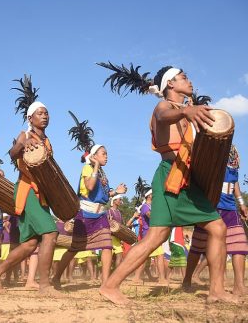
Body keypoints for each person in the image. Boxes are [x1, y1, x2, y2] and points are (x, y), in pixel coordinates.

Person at [97, 64, 232, 304]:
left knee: (179, 233)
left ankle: (216, 291)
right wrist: (185, 113)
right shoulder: (165, 107)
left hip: (184, 178)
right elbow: (162, 116)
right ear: (171, 84)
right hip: (171, 177)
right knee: (166, 235)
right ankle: (110, 286)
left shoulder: (184, 109)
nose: (189, 81)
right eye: (183, 77)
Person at [0, 81, 59, 295]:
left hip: (42, 195)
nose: (45, 116)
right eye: (40, 113)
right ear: (30, 118)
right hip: (27, 191)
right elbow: (12, 153)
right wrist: (22, 145)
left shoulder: (47, 140)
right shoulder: (25, 135)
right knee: (51, 232)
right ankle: (45, 285)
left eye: (46, 113)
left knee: (29, 243)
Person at [52, 144, 127, 288]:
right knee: (74, 248)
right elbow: (90, 187)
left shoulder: (102, 173)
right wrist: (96, 166)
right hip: (85, 214)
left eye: (106, 154)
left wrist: (116, 191)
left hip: (100, 215)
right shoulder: (88, 168)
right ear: (94, 156)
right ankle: (56, 277)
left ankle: (106, 283)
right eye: (103, 153)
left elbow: (103, 195)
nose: (106, 156)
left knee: (107, 245)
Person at [183, 145, 248, 294]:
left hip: (230, 209)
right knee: (197, 247)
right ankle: (187, 279)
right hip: (209, 208)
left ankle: (239, 286)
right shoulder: (209, 157)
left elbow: (234, 182)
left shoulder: (232, 159)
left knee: (239, 245)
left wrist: (242, 203)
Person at [130, 190, 167, 285]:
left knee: (145, 258)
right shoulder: (145, 207)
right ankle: (162, 279)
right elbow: (151, 216)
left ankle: (136, 278)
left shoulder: (150, 206)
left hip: (151, 234)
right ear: (149, 195)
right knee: (159, 255)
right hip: (150, 235)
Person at [108, 194, 125, 267]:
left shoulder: (119, 212)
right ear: (114, 201)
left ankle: (116, 274)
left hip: (117, 237)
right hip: (110, 236)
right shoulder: (109, 211)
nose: (120, 201)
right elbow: (106, 223)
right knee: (108, 257)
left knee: (119, 256)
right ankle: (103, 274)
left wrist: (122, 237)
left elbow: (121, 225)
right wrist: (109, 221)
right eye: (119, 200)